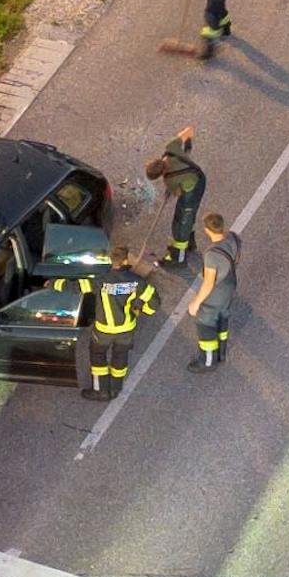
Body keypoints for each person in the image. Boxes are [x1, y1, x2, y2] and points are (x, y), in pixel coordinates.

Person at [83, 248, 157, 399]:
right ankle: (115, 388)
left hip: (103, 331)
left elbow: (76, 287)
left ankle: (100, 390)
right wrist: (142, 311)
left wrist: (53, 283)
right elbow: (154, 303)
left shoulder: (101, 280)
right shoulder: (137, 281)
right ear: (125, 260)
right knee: (120, 356)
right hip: (126, 330)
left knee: (98, 357)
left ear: (111, 260)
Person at [187, 212, 240, 373]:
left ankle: (208, 362)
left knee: (205, 324)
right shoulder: (232, 237)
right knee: (222, 317)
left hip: (216, 294)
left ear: (207, 230)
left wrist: (195, 302)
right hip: (229, 285)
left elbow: (209, 283)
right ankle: (221, 352)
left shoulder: (212, 255)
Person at [146, 127, 207, 268]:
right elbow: (189, 130)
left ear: (160, 174)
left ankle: (179, 259)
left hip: (192, 189)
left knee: (182, 223)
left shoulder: (169, 179)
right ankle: (190, 243)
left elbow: (179, 192)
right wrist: (188, 143)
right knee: (186, 216)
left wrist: (172, 189)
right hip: (198, 175)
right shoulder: (171, 148)